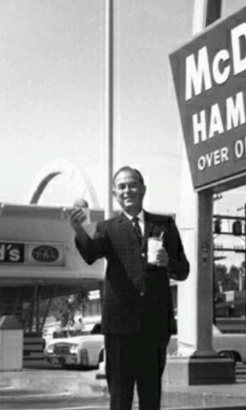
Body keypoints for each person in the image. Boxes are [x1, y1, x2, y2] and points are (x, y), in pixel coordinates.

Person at [68, 166, 189, 410]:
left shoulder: (164, 224)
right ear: (115, 194)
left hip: (154, 326)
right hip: (120, 327)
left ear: (143, 189)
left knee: (150, 395)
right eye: (121, 186)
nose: (127, 190)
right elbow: (91, 254)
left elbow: (183, 270)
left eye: (132, 185)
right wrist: (79, 230)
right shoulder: (108, 228)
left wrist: (169, 263)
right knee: (120, 397)